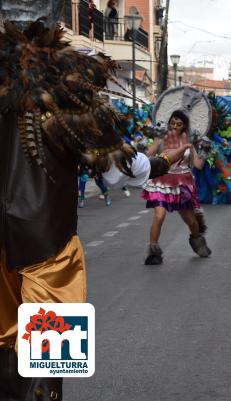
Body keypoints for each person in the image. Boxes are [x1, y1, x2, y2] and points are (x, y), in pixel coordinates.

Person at [0, 9, 190, 400]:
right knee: (48, 361)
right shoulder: (72, 101)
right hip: (47, 247)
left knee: (4, 344)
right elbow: (124, 169)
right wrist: (167, 161)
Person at [142, 110, 211, 265]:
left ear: (184, 125)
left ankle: (198, 243)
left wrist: (204, 151)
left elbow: (198, 166)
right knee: (159, 216)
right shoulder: (162, 137)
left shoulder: (189, 139)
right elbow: (146, 157)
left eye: (179, 124)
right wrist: (156, 141)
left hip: (182, 183)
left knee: (192, 223)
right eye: (172, 122)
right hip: (162, 180)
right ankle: (152, 253)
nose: (174, 126)